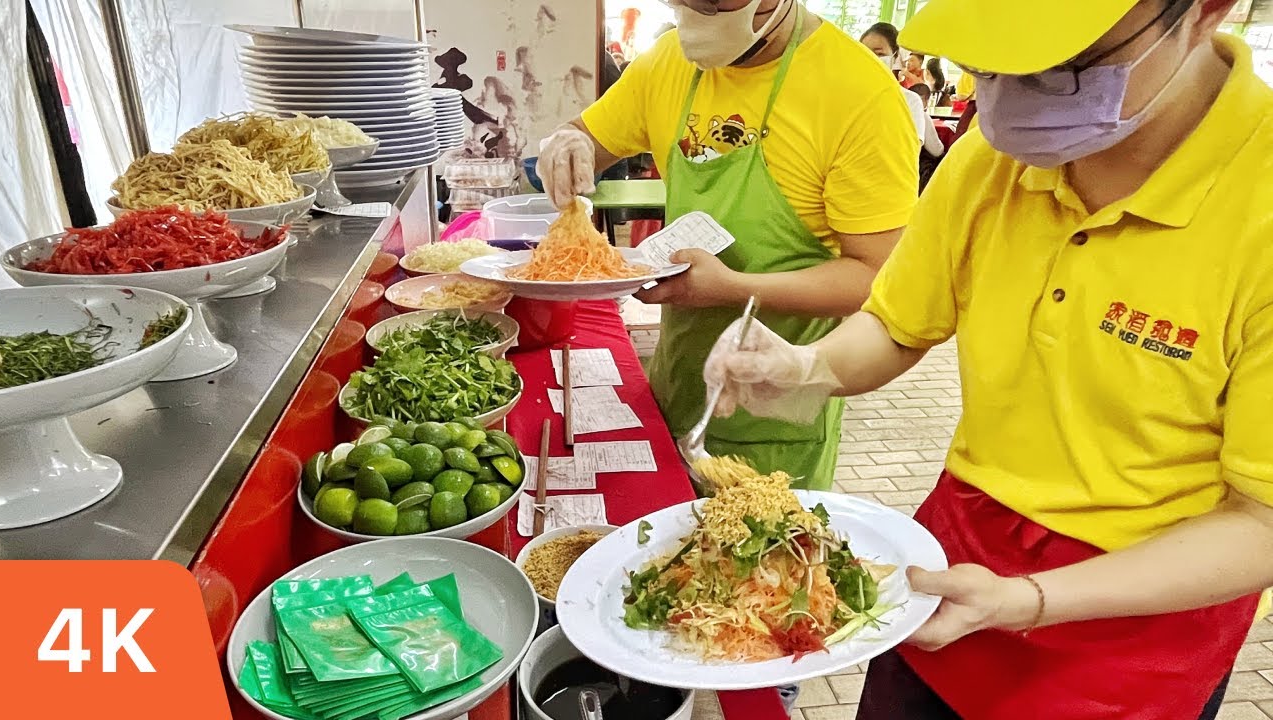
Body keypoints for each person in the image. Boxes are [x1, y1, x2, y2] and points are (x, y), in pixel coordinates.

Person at [704, 0, 1273, 718]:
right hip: (959, 553)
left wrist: (1028, 600)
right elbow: (899, 324)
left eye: (1057, 69)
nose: (1010, 101)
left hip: (1139, 618)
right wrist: (802, 368)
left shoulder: (1258, 202)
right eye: (987, 69)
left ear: (1202, 13)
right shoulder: (996, 154)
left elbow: (1260, 524)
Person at [536, 0, 918, 490]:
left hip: (775, 414)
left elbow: (876, 277)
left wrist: (731, 287)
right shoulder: (668, 60)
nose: (695, 14)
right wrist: (570, 143)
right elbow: (591, 134)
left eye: (715, 2)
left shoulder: (859, 93)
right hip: (677, 384)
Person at [860, 23, 935, 153]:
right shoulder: (852, 96)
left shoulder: (910, 100)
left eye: (879, 53)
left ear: (894, 56)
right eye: (865, 52)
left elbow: (912, 148)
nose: (871, 58)